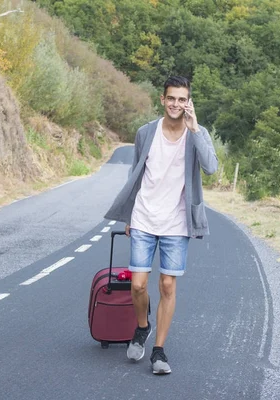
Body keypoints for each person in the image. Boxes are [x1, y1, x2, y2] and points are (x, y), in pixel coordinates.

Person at [104, 76, 218, 374]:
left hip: (177, 222)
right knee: (138, 284)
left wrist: (195, 129)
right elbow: (136, 174)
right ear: (162, 99)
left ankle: (158, 351)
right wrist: (129, 216)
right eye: (172, 98)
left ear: (189, 102)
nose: (176, 104)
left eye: (182, 99)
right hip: (144, 216)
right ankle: (142, 327)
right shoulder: (146, 132)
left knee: (167, 285)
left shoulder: (197, 133)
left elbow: (211, 167)